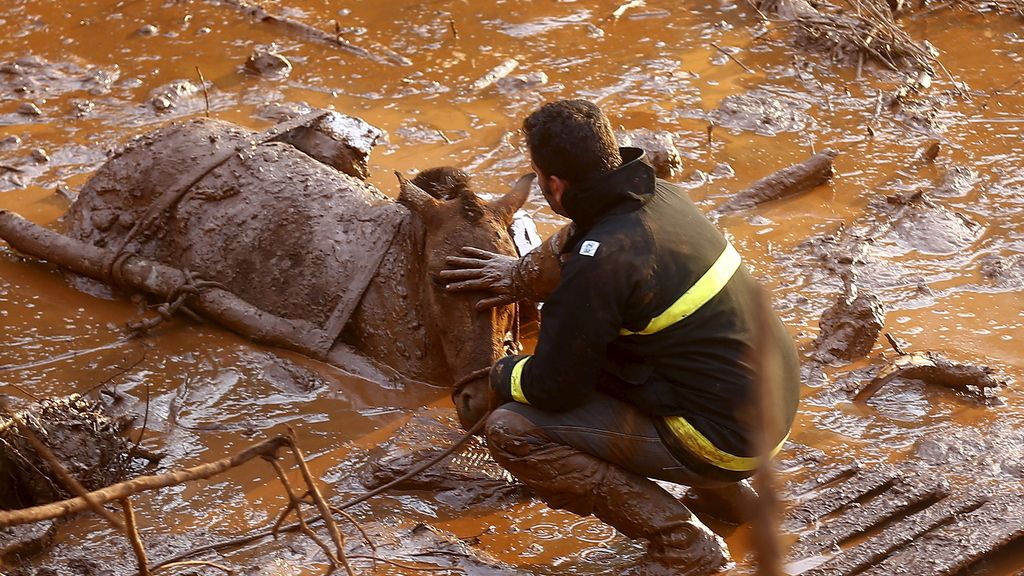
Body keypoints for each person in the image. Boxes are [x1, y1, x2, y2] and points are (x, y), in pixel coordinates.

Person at [440, 99, 800, 575]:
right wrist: (519, 275)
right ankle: (731, 501)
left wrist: (500, 374)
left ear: (554, 184)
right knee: (659, 352)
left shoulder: (601, 262)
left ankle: (682, 542)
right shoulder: (661, 198)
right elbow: (573, 242)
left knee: (513, 428)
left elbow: (554, 387)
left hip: (723, 441)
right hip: (770, 407)